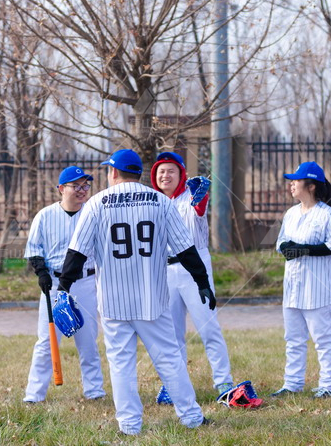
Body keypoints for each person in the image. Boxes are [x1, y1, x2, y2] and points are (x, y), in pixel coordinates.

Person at [57, 149, 215, 436]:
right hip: (151, 301)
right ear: (140, 173)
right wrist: (202, 280)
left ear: (113, 172)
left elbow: (76, 253)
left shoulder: (96, 203)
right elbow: (186, 248)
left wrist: (63, 289)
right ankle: (191, 418)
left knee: (120, 364)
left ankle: (129, 425)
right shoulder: (159, 201)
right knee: (169, 359)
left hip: (114, 303)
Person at [149, 151, 233, 402]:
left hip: (194, 269)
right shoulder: (153, 201)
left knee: (208, 328)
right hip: (165, 270)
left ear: (181, 174)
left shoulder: (192, 196)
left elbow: (199, 209)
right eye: (161, 171)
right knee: (171, 333)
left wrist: (202, 197)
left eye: (171, 171)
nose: (165, 175)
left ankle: (224, 382)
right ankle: (174, 385)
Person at [23, 166, 106, 403]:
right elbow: (35, 249)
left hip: (85, 282)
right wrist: (41, 272)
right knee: (47, 342)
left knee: (88, 340)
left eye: (85, 186)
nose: (82, 190)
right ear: (61, 189)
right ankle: (34, 394)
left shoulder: (93, 214)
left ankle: (94, 391)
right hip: (54, 283)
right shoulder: (45, 215)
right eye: (75, 186)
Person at [271, 161, 331, 399]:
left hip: (317, 288)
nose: (292, 184)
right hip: (292, 287)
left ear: (311, 186)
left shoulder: (326, 213)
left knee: (322, 338)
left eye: (296, 180)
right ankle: (292, 383)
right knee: (293, 338)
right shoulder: (291, 214)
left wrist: (304, 249)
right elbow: (280, 242)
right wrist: (286, 248)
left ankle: (329, 385)